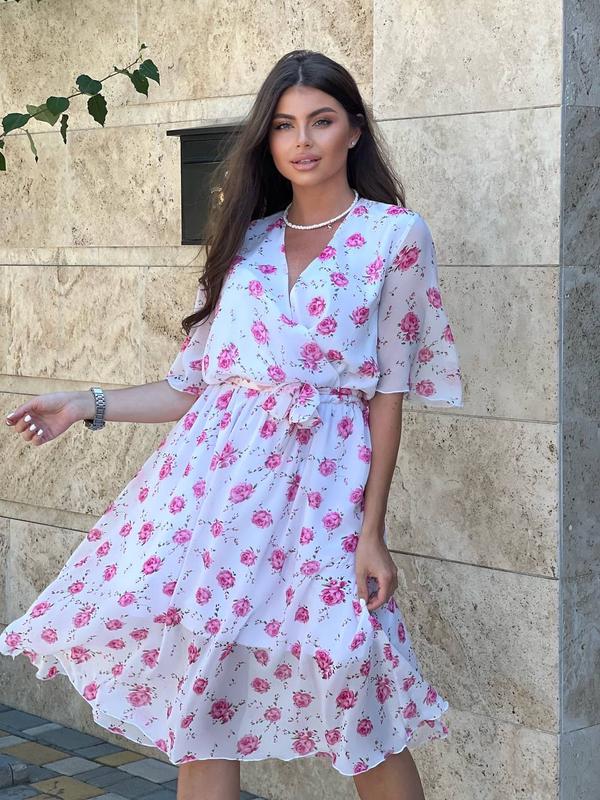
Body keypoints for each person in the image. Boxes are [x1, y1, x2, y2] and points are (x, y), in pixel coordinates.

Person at [2, 49, 463, 800]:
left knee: (359, 689)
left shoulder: (394, 237)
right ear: (266, 139)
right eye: (283, 125)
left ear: (354, 130)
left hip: (322, 501)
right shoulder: (245, 240)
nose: (302, 140)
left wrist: (371, 531)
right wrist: (86, 402)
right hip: (214, 504)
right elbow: (192, 388)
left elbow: (388, 396)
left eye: (320, 121)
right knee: (204, 697)